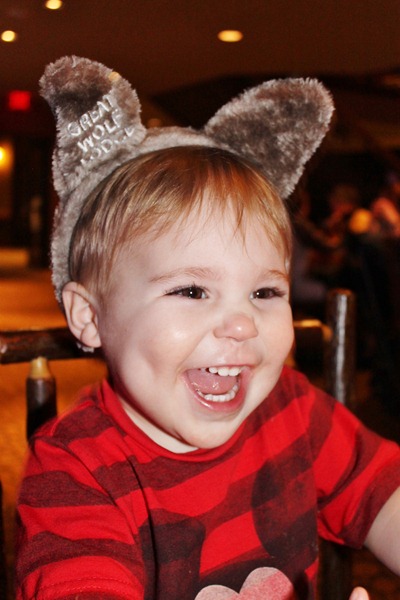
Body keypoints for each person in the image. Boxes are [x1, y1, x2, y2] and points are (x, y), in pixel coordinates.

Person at [15, 57, 400, 600]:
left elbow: (386, 496)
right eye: (192, 291)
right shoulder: (75, 471)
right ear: (90, 316)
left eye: (265, 292)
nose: (243, 323)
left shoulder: (292, 408)